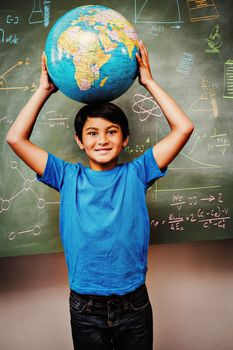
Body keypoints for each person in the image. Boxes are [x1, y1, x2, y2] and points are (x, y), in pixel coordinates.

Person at [6, 41, 194, 350]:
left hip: (134, 304)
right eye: (92, 133)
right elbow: (15, 138)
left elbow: (183, 127)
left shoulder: (138, 173)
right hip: (85, 307)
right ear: (79, 141)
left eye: (112, 132)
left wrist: (149, 82)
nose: (102, 140)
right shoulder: (67, 176)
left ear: (125, 139)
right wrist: (43, 90)